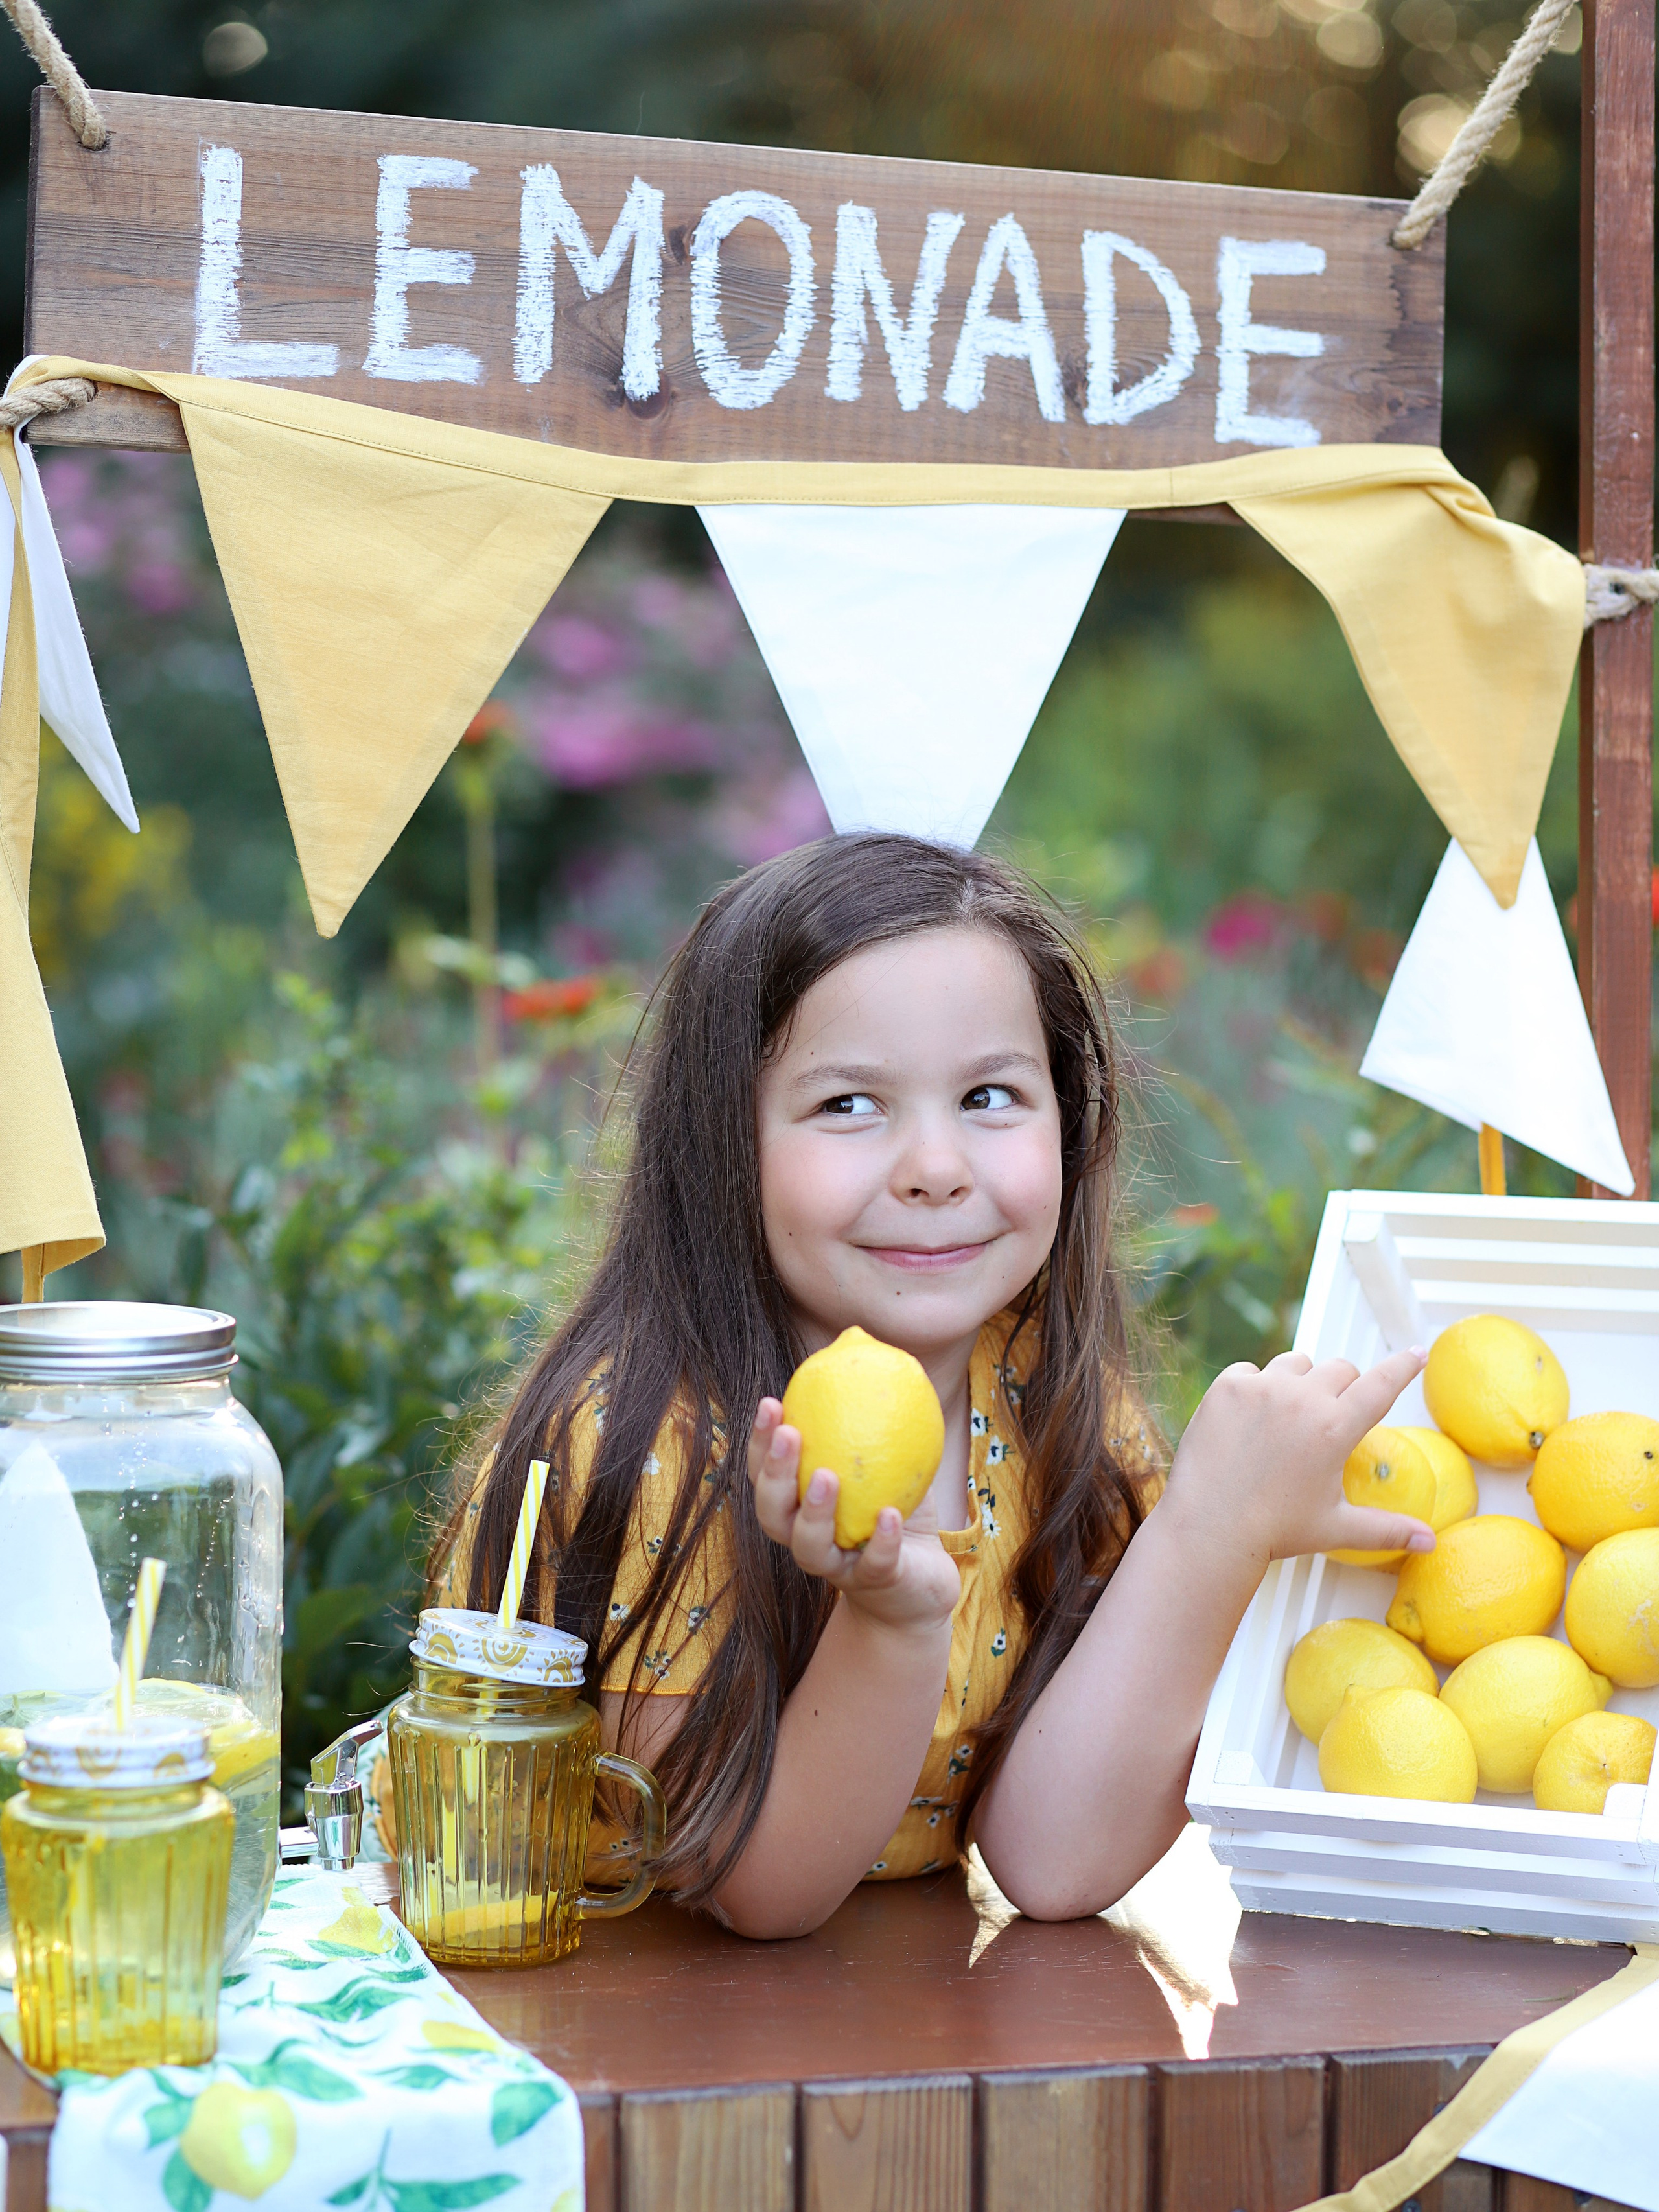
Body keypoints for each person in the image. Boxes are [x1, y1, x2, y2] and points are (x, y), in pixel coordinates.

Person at [429, 833, 1432, 1938]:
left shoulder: (1047, 1410)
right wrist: (895, 1619)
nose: (936, 1165)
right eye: (850, 1105)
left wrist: (1214, 1534)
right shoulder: (653, 1440)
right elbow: (755, 1886)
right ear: (722, 1143)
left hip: (904, 2049)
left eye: (992, 1095)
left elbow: (1051, 1860)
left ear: (1071, 1121)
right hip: (590, 2039)